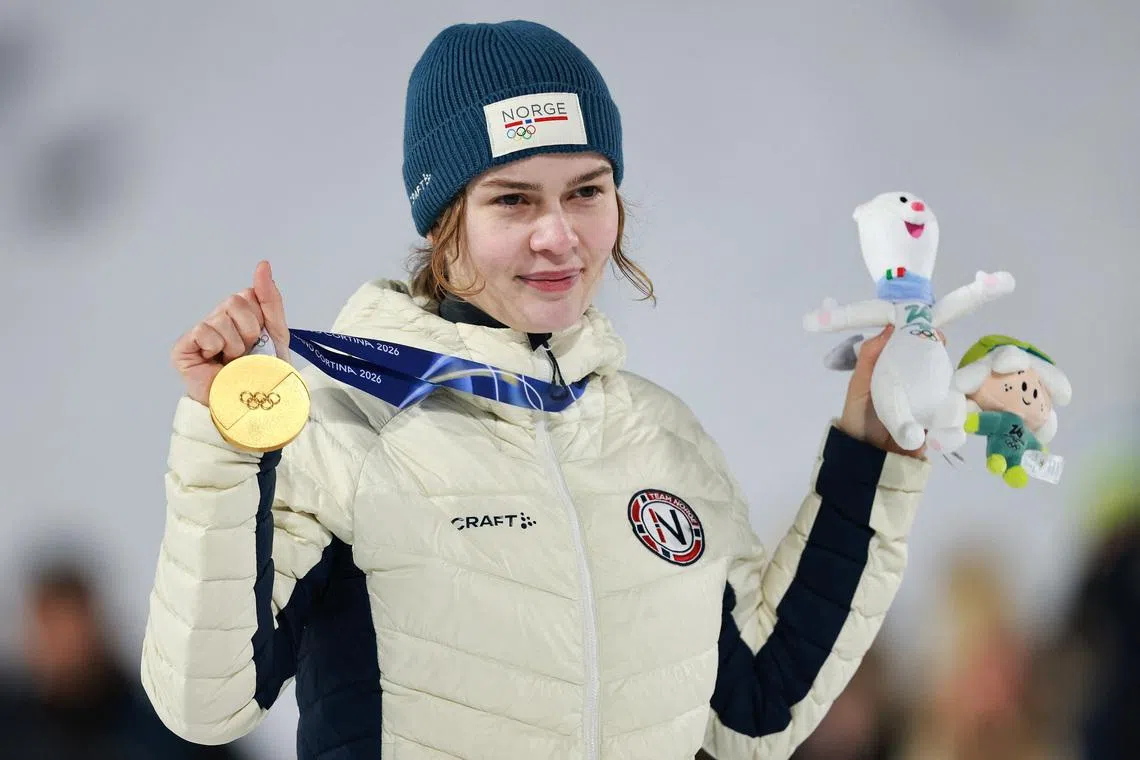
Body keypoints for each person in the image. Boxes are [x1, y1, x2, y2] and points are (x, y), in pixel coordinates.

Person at [141, 19, 933, 760]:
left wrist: (874, 454)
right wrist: (224, 444)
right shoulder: (353, 427)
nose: (559, 235)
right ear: (443, 218)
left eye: (586, 191)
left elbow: (755, 708)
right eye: (514, 199)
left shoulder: (657, 438)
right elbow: (209, 704)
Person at [0, 558, 247, 760]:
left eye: (70, 627)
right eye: (48, 628)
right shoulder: (12, 726)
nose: (61, 646)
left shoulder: (165, 721)